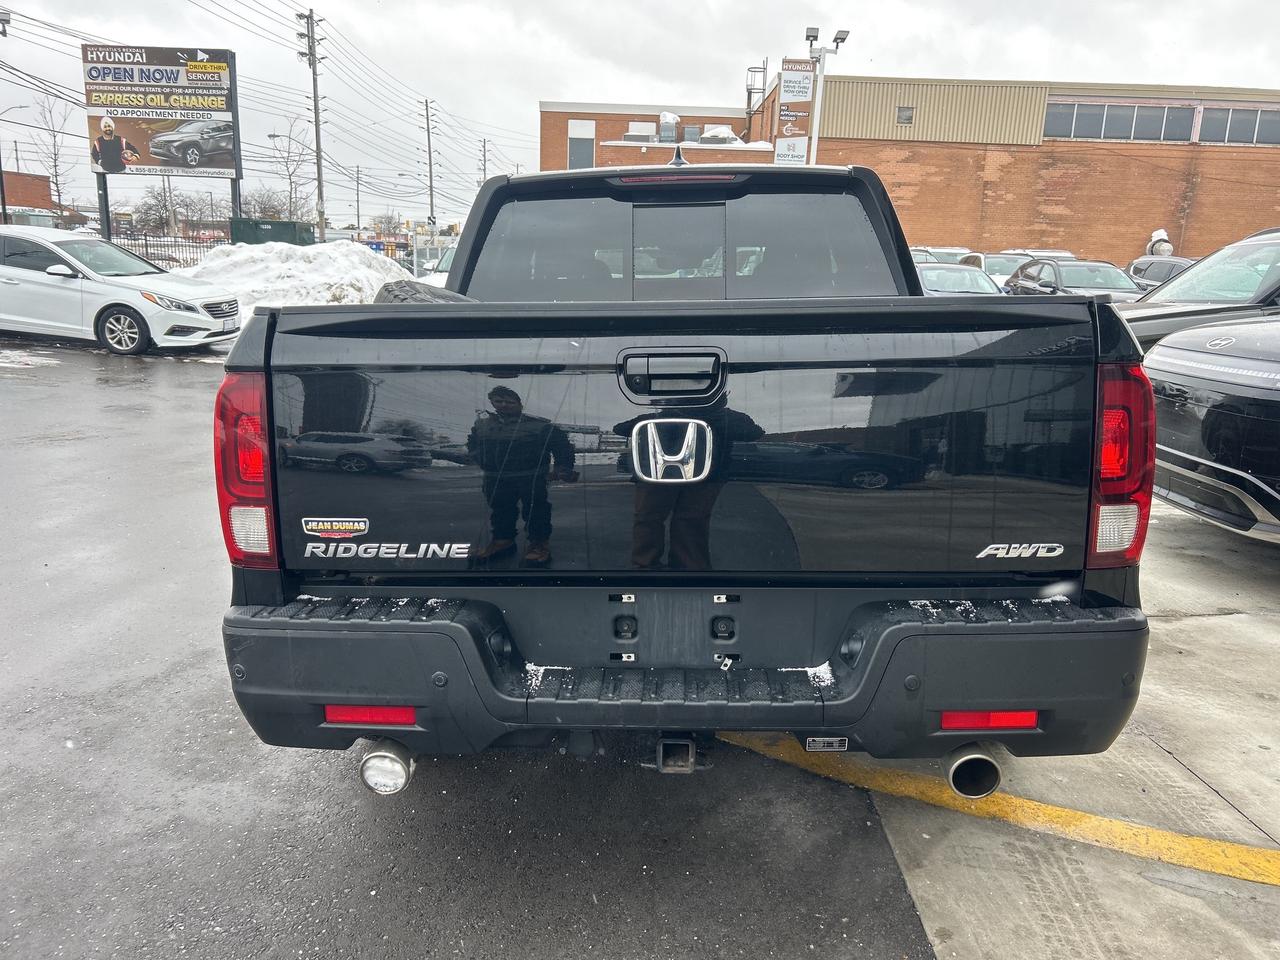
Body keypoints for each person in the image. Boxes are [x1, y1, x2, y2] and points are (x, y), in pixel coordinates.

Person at [614, 395, 763, 570]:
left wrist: (708, 417)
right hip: (665, 475)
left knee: (673, 519)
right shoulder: (664, 416)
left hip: (701, 477)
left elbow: (754, 432)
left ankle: (677, 567)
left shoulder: (725, 417)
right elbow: (620, 428)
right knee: (658, 518)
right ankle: (658, 566)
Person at [466, 386, 576, 567]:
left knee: (535, 511)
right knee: (500, 510)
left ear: (519, 404)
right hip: (495, 477)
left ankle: (539, 545)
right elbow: (473, 443)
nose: (504, 405)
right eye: (499, 401)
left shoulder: (538, 426)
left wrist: (562, 468)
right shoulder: (482, 425)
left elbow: (562, 446)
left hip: (530, 477)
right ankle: (502, 542)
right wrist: (479, 458)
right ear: (492, 402)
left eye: (509, 402)